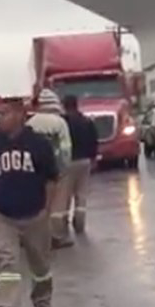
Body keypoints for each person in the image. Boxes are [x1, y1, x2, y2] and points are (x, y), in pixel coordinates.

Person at [0, 97, 59, 307]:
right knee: (8, 264)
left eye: (4, 113)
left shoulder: (38, 144)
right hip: (4, 216)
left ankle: (42, 301)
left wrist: (46, 210)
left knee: (40, 265)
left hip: (34, 214)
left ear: (19, 114)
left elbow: (51, 178)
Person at [27, 88, 74, 249]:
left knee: (39, 205)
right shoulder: (60, 123)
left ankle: (38, 237)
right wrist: (63, 168)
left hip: (34, 171)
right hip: (55, 169)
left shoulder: (30, 123)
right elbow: (66, 148)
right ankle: (56, 236)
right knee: (57, 204)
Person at [60, 94, 99, 237]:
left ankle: (63, 223)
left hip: (68, 162)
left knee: (65, 194)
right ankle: (80, 223)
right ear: (77, 104)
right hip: (84, 161)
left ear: (64, 105)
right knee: (81, 193)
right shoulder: (87, 121)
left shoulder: (63, 123)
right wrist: (93, 158)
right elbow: (94, 141)